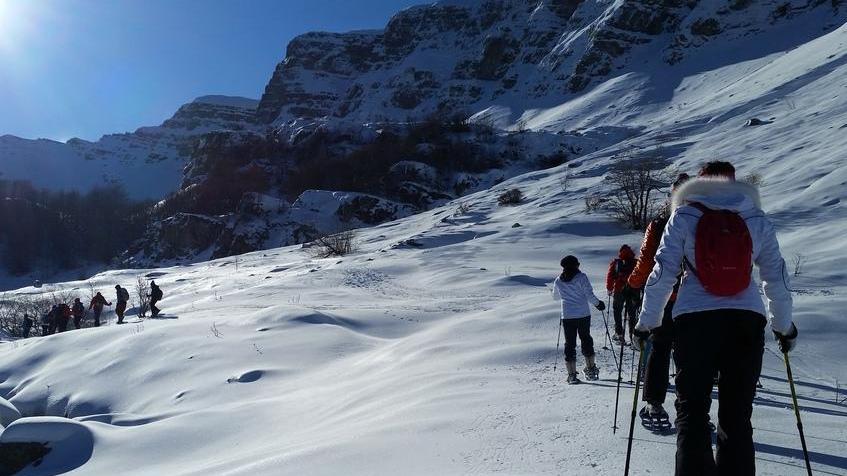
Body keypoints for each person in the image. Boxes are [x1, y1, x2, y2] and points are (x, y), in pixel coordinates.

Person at [634, 161, 796, 475]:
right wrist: (783, 326)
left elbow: (662, 273)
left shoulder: (684, 216)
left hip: (694, 320)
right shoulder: (754, 217)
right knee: (736, 417)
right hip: (745, 320)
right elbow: (776, 276)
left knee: (692, 414)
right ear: (734, 183)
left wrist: (647, 322)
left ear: (700, 183)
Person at [627, 173, 690, 428]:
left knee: (661, 349)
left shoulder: (660, 222)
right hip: (695, 300)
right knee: (689, 354)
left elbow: (646, 262)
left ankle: (654, 403)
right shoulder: (706, 220)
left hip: (666, 297)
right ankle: (690, 407)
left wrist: (632, 284)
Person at [553, 255, 605, 384]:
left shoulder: (558, 280)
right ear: (576, 265)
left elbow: (555, 297)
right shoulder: (581, 277)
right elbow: (589, 294)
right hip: (583, 314)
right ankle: (591, 369)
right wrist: (598, 304)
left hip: (568, 315)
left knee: (569, 343)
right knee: (586, 339)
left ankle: (571, 375)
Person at [606, 244, 637, 344]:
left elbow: (610, 276)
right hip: (633, 289)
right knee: (632, 313)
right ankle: (633, 337)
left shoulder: (616, 262)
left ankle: (619, 334)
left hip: (619, 290)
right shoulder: (636, 262)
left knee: (617, 311)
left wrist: (609, 288)